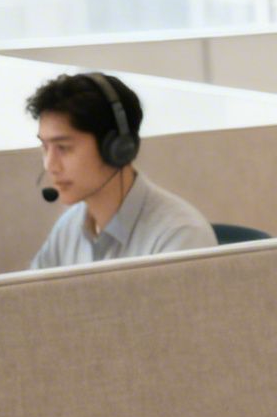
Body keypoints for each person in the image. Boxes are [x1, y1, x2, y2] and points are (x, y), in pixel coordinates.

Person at [26, 72, 216, 269]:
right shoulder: (69, 227)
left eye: (63, 148)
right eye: (45, 148)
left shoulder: (179, 237)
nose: (50, 165)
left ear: (117, 148)